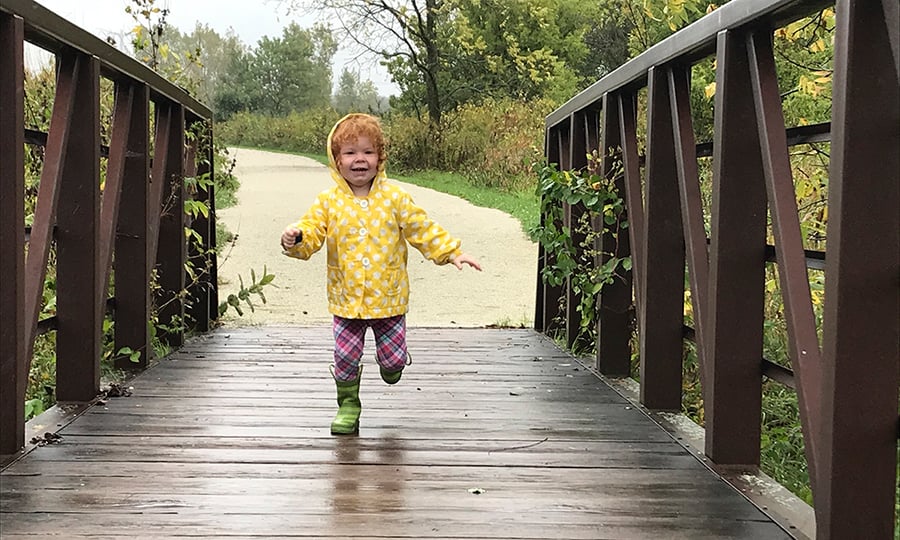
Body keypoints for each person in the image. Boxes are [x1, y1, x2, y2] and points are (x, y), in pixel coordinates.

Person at [280, 113, 482, 435]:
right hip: (347, 300)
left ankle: (394, 364)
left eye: (368, 152)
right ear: (336, 161)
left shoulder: (395, 199)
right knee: (345, 357)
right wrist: (296, 238)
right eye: (350, 152)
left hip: (388, 299)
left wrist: (451, 252)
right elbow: (312, 230)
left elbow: (422, 228)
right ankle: (348, 406)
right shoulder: (329, 202)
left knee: (391, 361)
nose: (359, 159)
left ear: (380, 157)